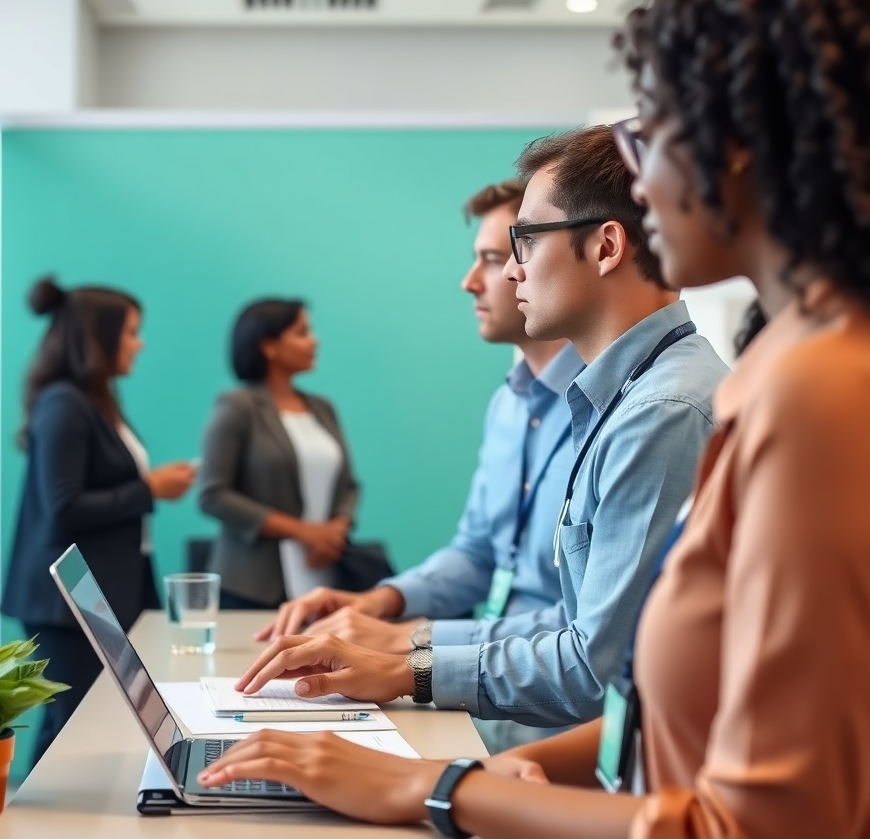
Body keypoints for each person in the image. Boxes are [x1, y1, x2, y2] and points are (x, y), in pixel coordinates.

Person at [200, 0, 870, 839]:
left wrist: (434, 788)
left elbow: (756, 821)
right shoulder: (782, 369)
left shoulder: (812, 394)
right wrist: (486, 763)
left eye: (651, 130)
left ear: (742, 138)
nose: (639, 178)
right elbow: (661, 715)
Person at [229, 125, 728, 728]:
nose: (511, 273)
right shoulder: (626, 394)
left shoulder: (662, 411)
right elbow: (577, 619)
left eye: (523, 242)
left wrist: (406, 663)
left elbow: (593, 665)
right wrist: (405, 645)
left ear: (606, 247)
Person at [1, 277, 194, 765]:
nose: (140, 343)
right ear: (99, 337)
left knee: (68, 725)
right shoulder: (64, 404)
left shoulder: (94, 402)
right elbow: (64, 507)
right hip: (66, 602)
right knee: (74, 726)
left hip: (98, 590)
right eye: (131, 332)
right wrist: (149, 489)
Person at [197, 298, 360, 610]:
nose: (315, 340)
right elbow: (213, 494)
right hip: (254, 586)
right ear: (268, 346)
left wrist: (335, 532)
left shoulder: (323, 408)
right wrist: (303, 532)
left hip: (324, 576)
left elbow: (349, 486)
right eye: (302, 332)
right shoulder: (237, 406)